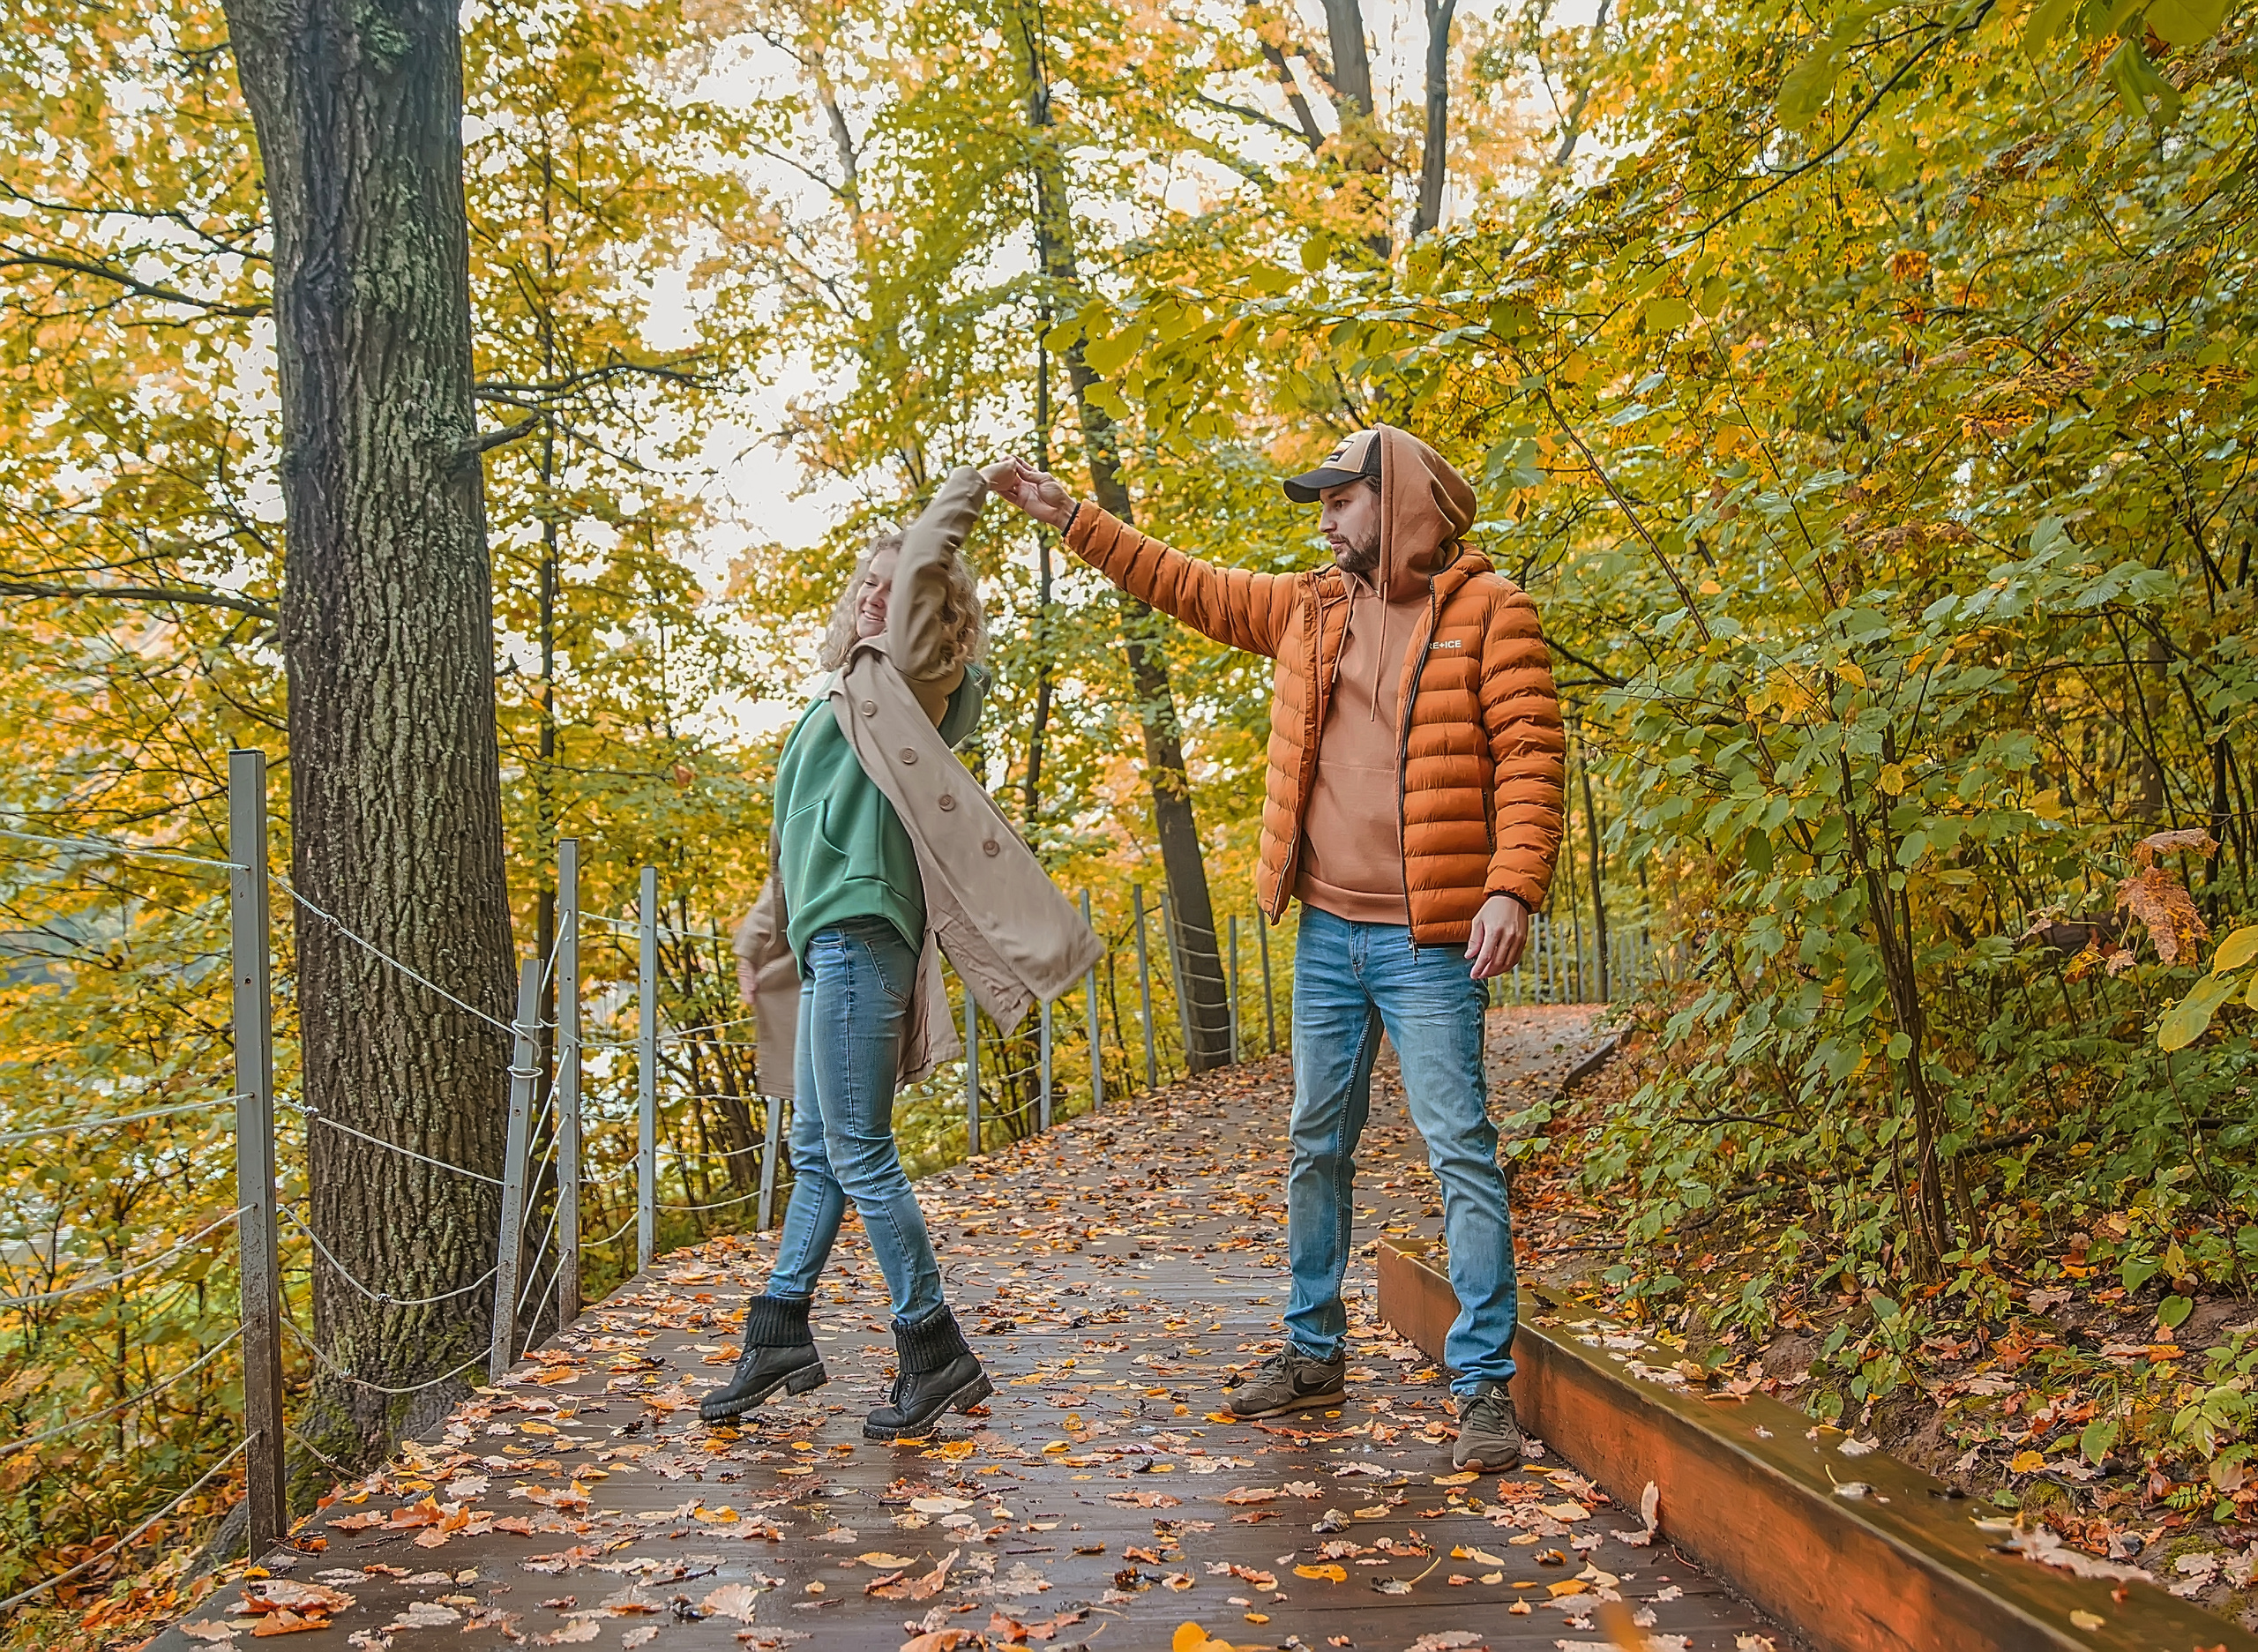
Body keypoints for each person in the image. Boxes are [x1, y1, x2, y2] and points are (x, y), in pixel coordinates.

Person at [989, 428, 1564, 1470]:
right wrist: (1072, 517)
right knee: (1314, 1143)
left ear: (1393, 502)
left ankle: (1482, 1386)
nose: (1324, 519)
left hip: (1431, 940)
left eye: (1340, 501)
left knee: (1460, 1154)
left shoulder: (1491, 610)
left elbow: (1529, 754)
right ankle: (1312, 1350)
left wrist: (1510, 888)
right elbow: (1188, 586)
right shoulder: (1312, 606)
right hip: (1326, 932)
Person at [707, 460, 1102, 1440]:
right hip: (820, 945)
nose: (876, 593)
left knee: (859, 1153)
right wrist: (762, 935)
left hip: (863, 941)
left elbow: (929, 561)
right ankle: (781, 1330)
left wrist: (963, 489)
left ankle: (933, 1348)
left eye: (895, 583)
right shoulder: (839, 701)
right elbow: (795, 842)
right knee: (818, 1153)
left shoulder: (914, 683)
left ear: (931, 608)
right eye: (866, 584)